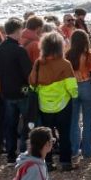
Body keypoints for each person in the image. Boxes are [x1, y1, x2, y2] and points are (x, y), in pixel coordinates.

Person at [30, 32, 78, 170]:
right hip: (63, 103)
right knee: (64, 134)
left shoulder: (39, 63)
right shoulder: (65, 64)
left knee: (47, 134)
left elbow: (32, 82)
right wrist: (73, 95)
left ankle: (48, 163)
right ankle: (66, 162)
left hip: (44, 104)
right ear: (60, 46)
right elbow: (72, 87)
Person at [0, 18, 33, 163]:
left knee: (10, 123)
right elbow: (27, 73)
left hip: (6, 91)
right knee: (28, 122)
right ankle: (24, 150)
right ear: (18, 31)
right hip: (22, 91)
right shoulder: (19, 50)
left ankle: (10, 153)